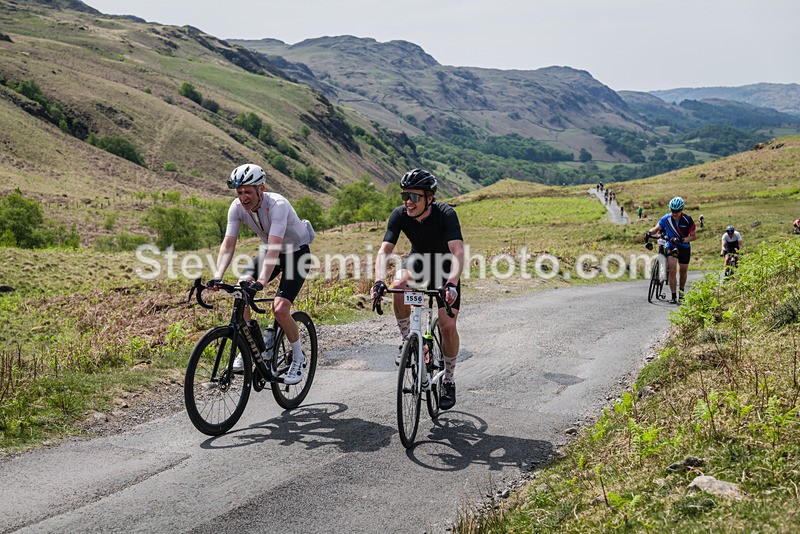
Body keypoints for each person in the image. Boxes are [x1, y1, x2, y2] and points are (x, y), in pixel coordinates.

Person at [208, 163, 314, 384]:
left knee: (280, 308)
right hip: (270, 252)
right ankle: (251, 347)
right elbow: (228, 244)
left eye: (247, 191)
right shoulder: (236, 208)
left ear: (261, 189)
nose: (243, 197)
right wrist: (218, 275)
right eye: (239, 192)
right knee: (241, 289)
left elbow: (275, 246)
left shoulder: (278, 205)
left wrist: (263, 281)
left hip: (296, 253)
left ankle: (298, 357)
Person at [372, 169, 464, 410]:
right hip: (419, 262)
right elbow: (384, 251)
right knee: (398, 285)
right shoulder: (400, 215)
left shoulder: (446, 214)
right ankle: (408, 342)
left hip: (445, 268)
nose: (408, 202)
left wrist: (452, 283)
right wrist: (378, 280)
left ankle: (449, 379)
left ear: (429, 198)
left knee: (447, 326)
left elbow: (458, 253)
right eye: (405, 195)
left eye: (414, 197)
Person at [646, 196, 696, 304]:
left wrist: (683, 239)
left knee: (683, 272)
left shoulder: (688, 220)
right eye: (672, 211)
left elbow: (693, 236)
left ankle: (681, 293)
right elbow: (656, 228)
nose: (674, 213)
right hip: (671, 246)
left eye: (677, 211)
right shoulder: (666, 218)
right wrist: (649, 233)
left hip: (684, 247)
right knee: (672, 269)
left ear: (681, 210)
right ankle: (673, 296)